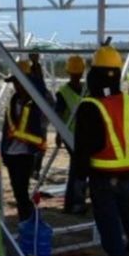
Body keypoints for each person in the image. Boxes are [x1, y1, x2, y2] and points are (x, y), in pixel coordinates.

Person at [71, 44, 129, 256]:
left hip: (102, 180)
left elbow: (83, 148)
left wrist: (80, 179)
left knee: (111, 233)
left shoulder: (89, 106)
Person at [1, 55, 51, 224]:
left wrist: (36, 66)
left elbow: (43, 93)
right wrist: (4, 152)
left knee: (21, 191)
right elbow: (7, 128)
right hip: (12, 153)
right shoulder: (13, 101)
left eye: (19, 82)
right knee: (18, 191)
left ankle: (27, 219)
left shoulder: (37, 103)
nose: (16, 86)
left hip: (27, 154)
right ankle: (28, 217)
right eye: (14, 82)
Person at [55, 54, 88, 214]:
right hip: (71, 136)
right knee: (78, 168)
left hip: (85, 135)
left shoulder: (87, 89)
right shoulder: (63, 93)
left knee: (79, 168)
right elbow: (58, 115)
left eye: (78, 73)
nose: (77, 76)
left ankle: (75, 201)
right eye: (75, 73)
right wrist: (59, 134)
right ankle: (75, 202)